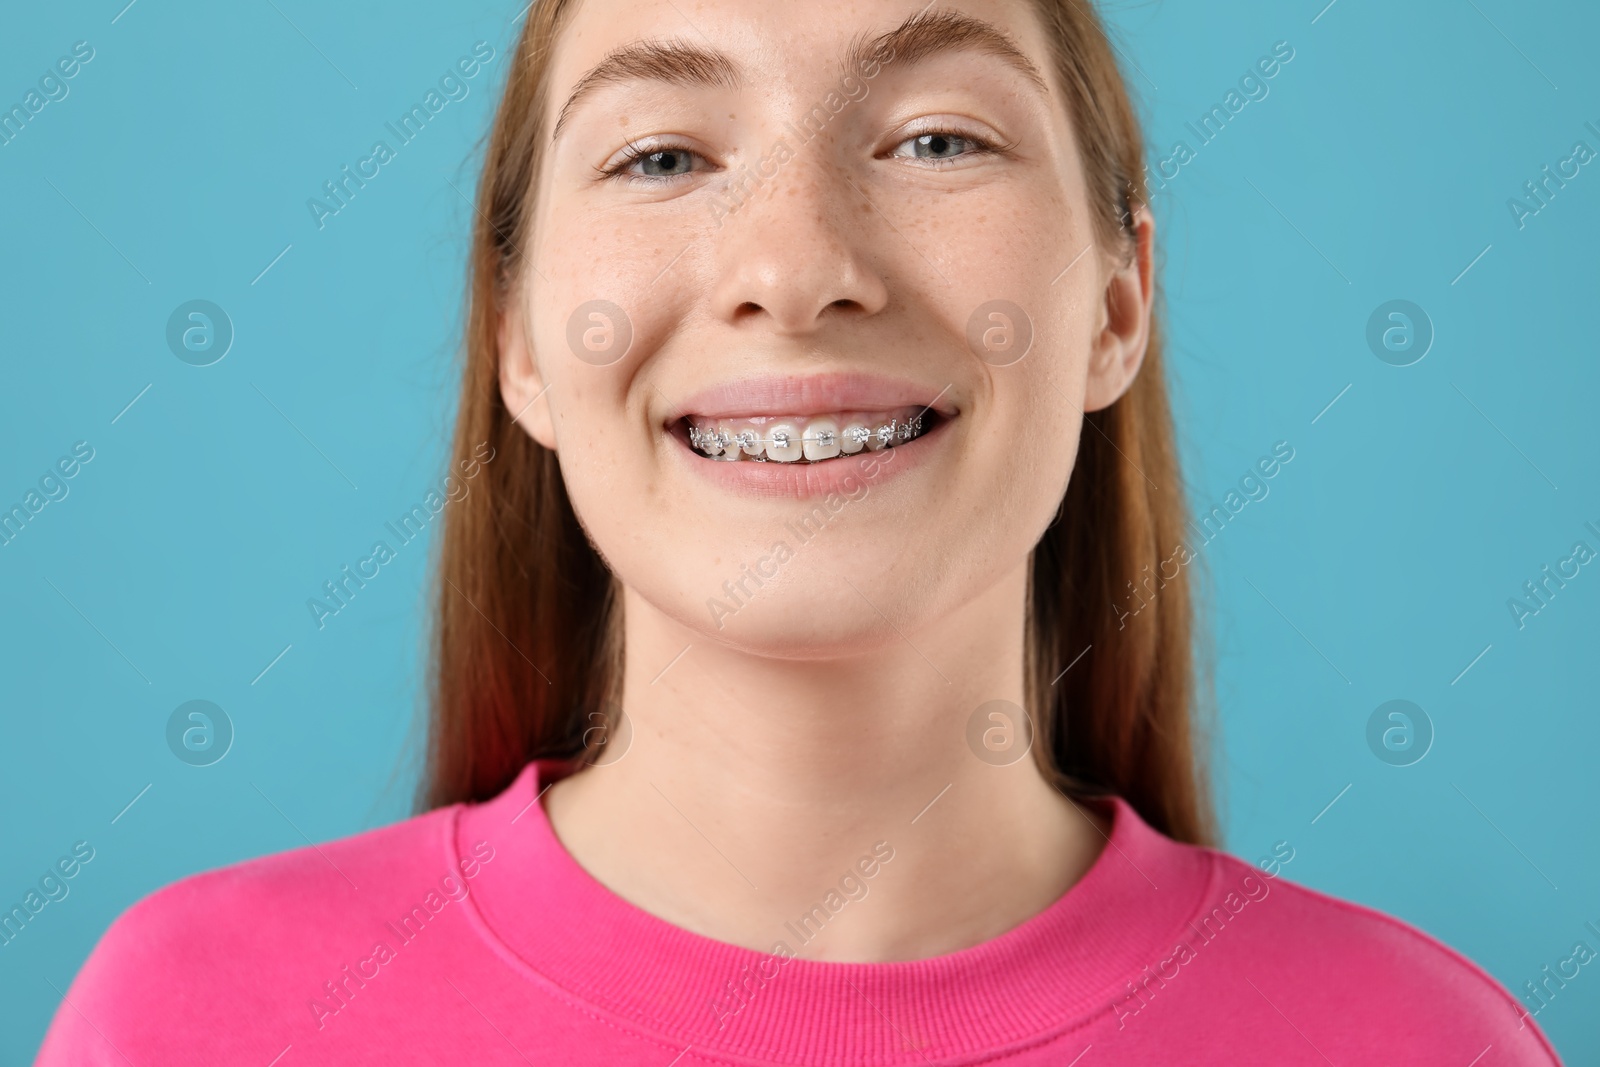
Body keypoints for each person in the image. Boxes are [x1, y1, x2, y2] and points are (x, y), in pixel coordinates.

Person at [37, 0, 1562, 1062]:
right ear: (517, 344)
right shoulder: (189, 1025)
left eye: (936, 138)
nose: (795, 264)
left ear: (1117, 304)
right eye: (663, 155)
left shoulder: (1428, 1047)